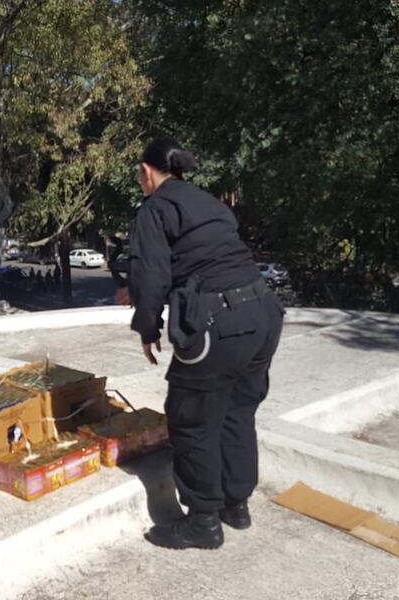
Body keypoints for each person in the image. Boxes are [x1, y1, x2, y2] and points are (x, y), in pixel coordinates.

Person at [118, 138, 284, 550]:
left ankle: (203, 521)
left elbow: (153, 273)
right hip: (263, 313)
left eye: (140, 176)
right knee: (236, 412)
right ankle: (236, 504)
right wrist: (143, 294)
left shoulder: (155, 209)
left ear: (146, 171)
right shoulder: (208, 201)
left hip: (218, 322)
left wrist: (147, 327)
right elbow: (198, 261)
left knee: (191, 417)